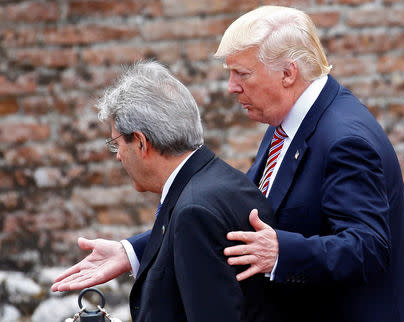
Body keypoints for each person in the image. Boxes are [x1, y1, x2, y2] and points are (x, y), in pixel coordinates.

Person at [53, 5, 404, 322]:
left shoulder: (346, 139)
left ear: (288, 73)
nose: (231, 86)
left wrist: (282, 252)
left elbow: (370, 247)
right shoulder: (287, 119)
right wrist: (133, 250)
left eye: (242, 74)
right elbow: (235, 215)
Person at [53, 60, 277, 322]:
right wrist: (130, 252)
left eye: (117, 144)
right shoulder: (219, 181)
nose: (118, 157)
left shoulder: (194, 211)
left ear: (140, 142)